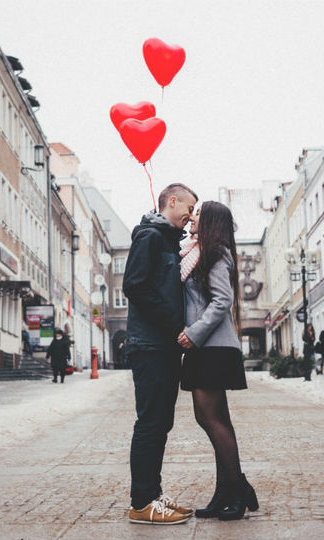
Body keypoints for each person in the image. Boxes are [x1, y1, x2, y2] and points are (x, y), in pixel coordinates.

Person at [178, 201, 259, 521]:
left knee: (211, 420)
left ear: (210, 221)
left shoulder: (216, 253)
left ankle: (236, 490)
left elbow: (222, 300)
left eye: (197, 214)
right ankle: (228, 489)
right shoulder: (196, 253)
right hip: (206, 347)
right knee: (214, 420)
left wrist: (193, 333)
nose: (191, 217)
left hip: (211, 346)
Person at [123, 183, 198, 525]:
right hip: (150, 344)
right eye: (189, 207)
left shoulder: (167, 240)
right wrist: (173, 324)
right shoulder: (150, 237)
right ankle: (142, 502)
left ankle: (153, 494)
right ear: (172, 200)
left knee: (161, 422)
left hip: (163, 345)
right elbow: (134, 286)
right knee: (151, 422)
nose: (191, 215)